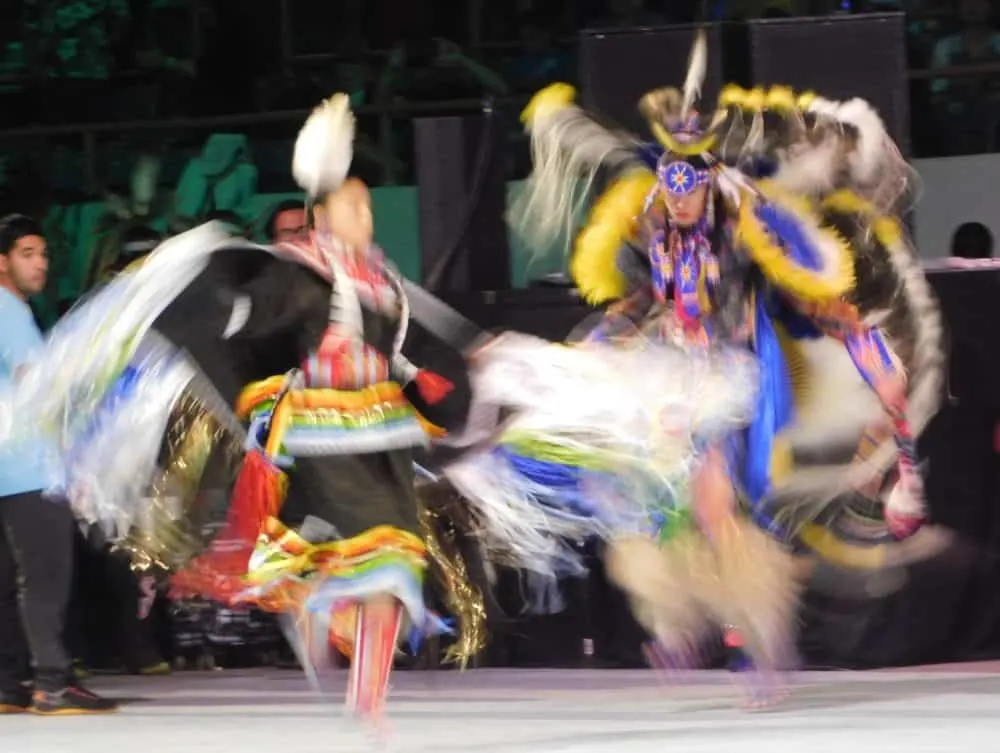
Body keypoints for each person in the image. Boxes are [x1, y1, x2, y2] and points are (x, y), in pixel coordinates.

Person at [446, 35, 944, 707]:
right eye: (668, 184)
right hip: (665, 377)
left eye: (689, 184)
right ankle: (678, 617)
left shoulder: (745, 230)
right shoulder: (651, 226)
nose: (676, 197)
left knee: (716, 508)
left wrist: (877, 381)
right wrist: (586, 348)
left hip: (726, 382)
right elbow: (639, 303)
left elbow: (813, 297)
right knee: (637, 502)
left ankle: (758, 641)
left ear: (710, 180)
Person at [3, 95, 473, 728]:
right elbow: (249, 337)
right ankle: (335, 646)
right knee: (367, 562)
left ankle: (366, 697)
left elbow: (396, 352)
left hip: (381, 444)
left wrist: (421, 381)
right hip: (322, 450)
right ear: (325, 214)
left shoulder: (383, 282)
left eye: (367, 205)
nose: (365, 214)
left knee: (397, 562)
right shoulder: (300, 276)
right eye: (352, 205)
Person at [0, 214, 117, 715]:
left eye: (43, 254)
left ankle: (8, 685)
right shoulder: (9, 311)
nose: (41, 263)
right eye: (27, 253)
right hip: (29, 467)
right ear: (1, 261)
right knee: (47, 576)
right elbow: (38, 387)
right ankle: (52, 680)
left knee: (9, 583)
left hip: (7, 469)